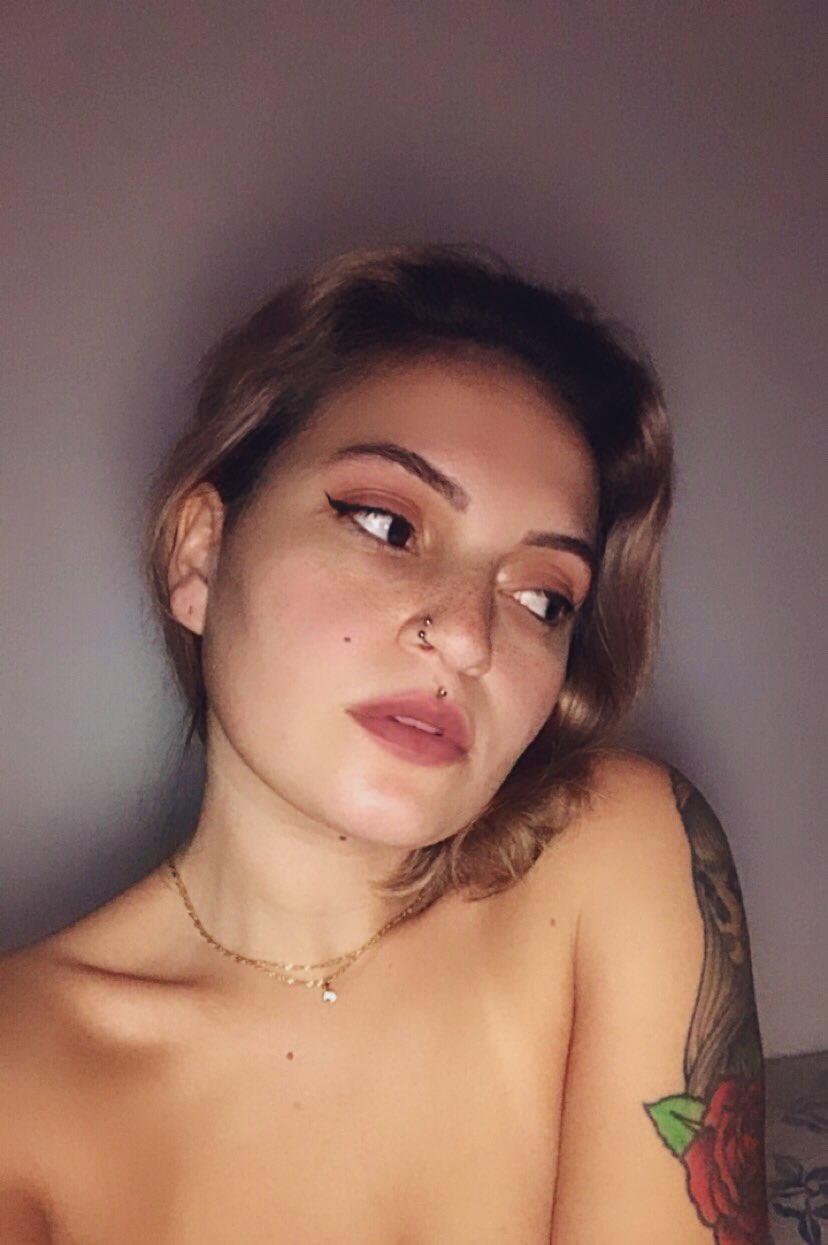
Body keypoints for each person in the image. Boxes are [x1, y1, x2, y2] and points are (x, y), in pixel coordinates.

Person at [0, 245, 768, 1243]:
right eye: (387, 523)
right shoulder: (24, 1070)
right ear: (201, 555)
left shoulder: (617, 854)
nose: (470, 636)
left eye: (543, 598)